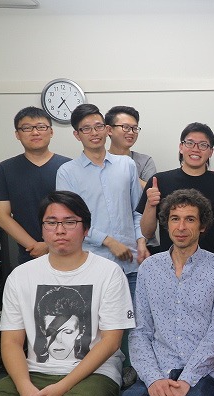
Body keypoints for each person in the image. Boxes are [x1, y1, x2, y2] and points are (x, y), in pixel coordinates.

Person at [0, 191, 134, 396]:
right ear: (42, 229)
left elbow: (111, 341)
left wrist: (60, 388)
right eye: (51, 222)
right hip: (34, 372)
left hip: (92, 372)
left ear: (85, 229)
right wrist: (24, 387)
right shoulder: (21, 276)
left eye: (69, 222)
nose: (60, 230)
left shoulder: (108, 273)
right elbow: (11, 342)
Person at [100, 189, 214, 396]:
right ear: (166, 222)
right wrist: (154, 379)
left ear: (202, 225)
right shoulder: (149, 268)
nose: (181, 226)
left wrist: (185, 381)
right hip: (156, 369)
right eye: (174, 218)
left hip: (201, 374)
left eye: (189, 219)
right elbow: (140, 331)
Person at [56, 103, 149, 299]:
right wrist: (109, 241)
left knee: (134, 318)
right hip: (92, 264)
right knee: (96, 319)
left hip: (131, 263)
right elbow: (70, 220)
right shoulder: (67, 172)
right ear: (77, 135)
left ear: (107, 129)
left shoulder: (127, 165)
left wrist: (141, 241)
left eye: (98, 126)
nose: (94, 133)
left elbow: (137, 211)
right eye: (86, 128)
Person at [137, 122, 214, 262]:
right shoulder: (159, 181)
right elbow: (147, 232)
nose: (196, 149)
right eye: (190, 143)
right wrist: (150, 204)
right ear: (181, 147)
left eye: (203, 145)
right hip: (170, 264)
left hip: (211, 266)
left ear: (211, 152)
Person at [0, 106, 70, 264]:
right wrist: (35, 246)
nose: (35, 132)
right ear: (17, 134)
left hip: (68, 250)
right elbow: (2, 217)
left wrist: (49, 245)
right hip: (29, 254)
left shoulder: (69, 166)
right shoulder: (5, 169)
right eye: (27, 128)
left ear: (51, 132)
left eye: (41, 127)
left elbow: (79, 212)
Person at [105, 105, 156, 188]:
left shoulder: (145, 161)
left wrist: (128, 172)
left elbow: (151, 190)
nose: (131, 132)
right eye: (125, 127)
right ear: (109, 130)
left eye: (135, 128)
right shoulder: (100, 160)